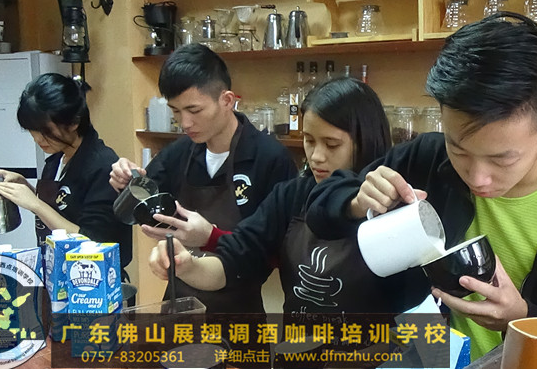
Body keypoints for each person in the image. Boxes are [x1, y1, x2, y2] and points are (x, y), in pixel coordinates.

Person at [305, 12, 537, 360]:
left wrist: (526, 320)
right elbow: (318, 209)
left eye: (502, 159)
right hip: (425, 357)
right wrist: (356, 201)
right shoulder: (426, 158)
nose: (477, 178)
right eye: (459, 149)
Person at [147, 78, 400, 318]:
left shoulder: (392, 201)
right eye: (309, 140)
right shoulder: (292, 196)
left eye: (332, 144)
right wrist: (188, 266)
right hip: (299, 345)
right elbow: (234, 261)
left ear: (365, 141)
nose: (316, 156)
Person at [109, 44, 297, 315]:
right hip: (179, 305)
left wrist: (211, 237)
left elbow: (276, 252)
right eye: (176, 112)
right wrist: (127, 184)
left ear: (227, 100)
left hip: (238, 310)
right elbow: (140, 211)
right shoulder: (179, 153)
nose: (185, 123)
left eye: (194, 110)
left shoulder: (269, 158)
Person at [0, 73, 133, 272]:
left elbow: (94, 243)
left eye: (44, 130)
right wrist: (26, 189)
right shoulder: (57, 158)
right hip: (57, 271)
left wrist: (35, 204)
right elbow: (62, 209)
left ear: (73, 122)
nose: (37, 138)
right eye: (31, 130)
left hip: (92, 278)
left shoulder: (103, 166)